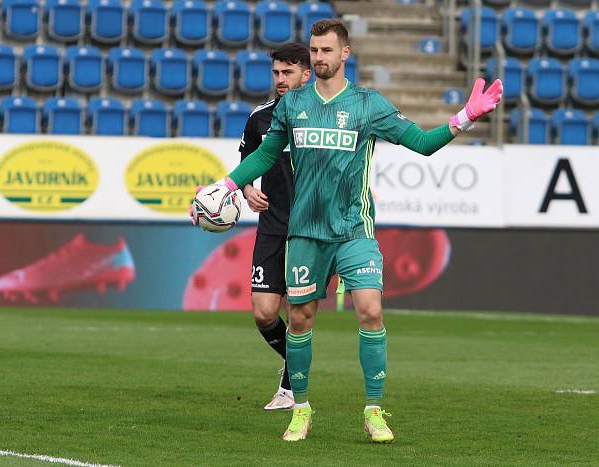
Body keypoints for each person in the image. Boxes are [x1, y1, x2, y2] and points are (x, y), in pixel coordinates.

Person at [206, 19, 501, 443]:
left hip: (353, 230)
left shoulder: (368, 104)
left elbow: (421, 142)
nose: (319, 58)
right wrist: (228, 185)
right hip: (304, 233)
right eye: (315, 51)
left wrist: (466, 117)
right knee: (301, 320)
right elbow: (265, 155)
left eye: (327, 50)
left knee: (371, 311)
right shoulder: (292, 106)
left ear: (346, 53)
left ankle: (374, 411)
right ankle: (301, 409)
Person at [238, 43, 312, 411]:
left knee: (300, 313)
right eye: (276, 73)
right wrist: (248, 189)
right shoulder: (260, 118)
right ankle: (293, 360)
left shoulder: (324, 116)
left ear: (306, 74)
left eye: (288, 72)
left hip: (310, 228)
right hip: (271, 224)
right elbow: (247, 160)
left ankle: (290, 392)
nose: (281, 79)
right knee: (264, 313)